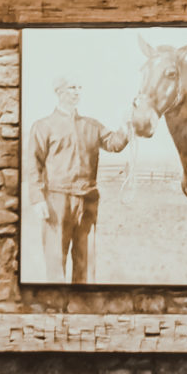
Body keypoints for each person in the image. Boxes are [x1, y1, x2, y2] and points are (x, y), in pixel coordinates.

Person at [26, 74, 130, 283]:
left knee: (85, 261)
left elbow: (114, 143)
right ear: (59, 92)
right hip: (57, 200)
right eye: (71, 87)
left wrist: (127, 124)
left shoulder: (92, 125)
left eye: (79, 87)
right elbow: (33, 165)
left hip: (88, 199)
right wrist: (37, 199)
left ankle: (81, 307)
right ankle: (55, 308)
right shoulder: (43, 126)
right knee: (56, 259)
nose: (76, 92)